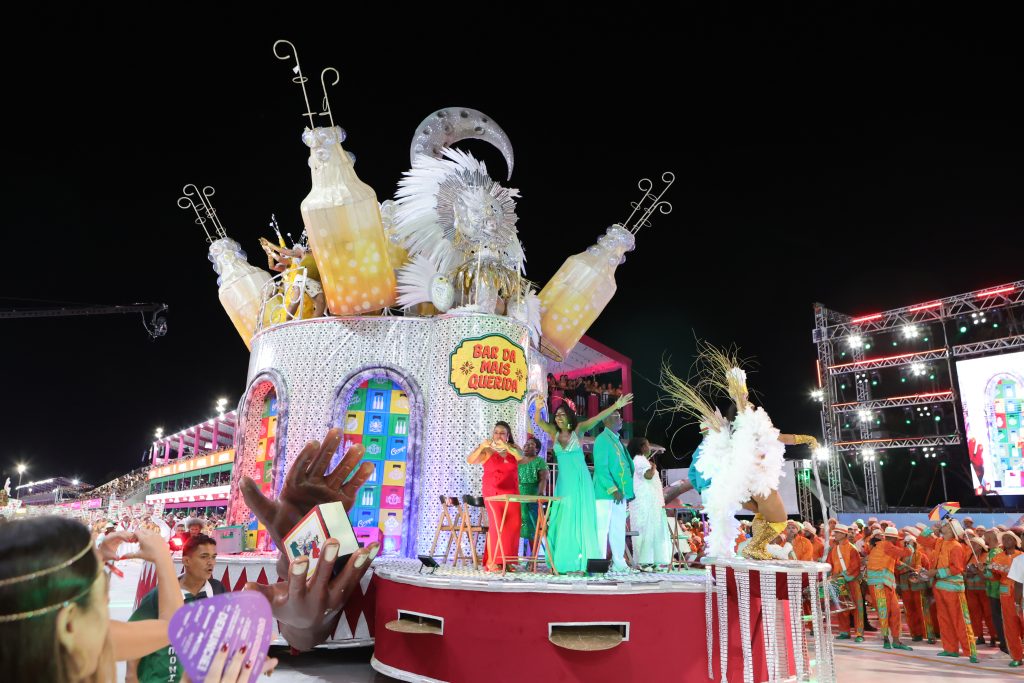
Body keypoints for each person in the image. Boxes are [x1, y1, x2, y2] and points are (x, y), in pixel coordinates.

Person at [0, 517, 258, 682]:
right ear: (69, 624)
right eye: (104, 601)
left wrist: (95, 557)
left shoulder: (47, 639)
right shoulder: (94, 641)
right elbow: (173, 624)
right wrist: (163, 557)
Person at [533, 393, 633, 573]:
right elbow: (538, 421)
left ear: (569, 416)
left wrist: (616, 405)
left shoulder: (578, 430)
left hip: (580, 481)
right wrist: (539, 408)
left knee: (580, 519)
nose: (558, 417)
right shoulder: (554, 432)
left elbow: (598, 418)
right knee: (561, 519)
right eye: (557, 415)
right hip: (564, 483)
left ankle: (582, 563)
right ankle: (562, 561)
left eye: (562, 414)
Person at [127, 534, 227, 682]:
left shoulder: (218, 590)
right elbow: (136, 634)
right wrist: (130, 674)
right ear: (186, 561)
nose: (210, 562)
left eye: (213, 557)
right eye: (204, 557)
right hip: (159, 677)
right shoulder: (161, 594)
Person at [467, 421, 524, 570]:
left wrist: (507, 447)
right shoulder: (487, 450)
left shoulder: (514, 448)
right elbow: (470, 460)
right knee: (497, 525)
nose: (498, 435)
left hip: (512, 493)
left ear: (508, 435)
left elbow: (521, 458)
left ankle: (507, 561)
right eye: (496, 432)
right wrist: (481, 447)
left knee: (513, 525)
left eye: (502, 433)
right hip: (493, 493)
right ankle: (493, 562)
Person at [926, 519, 978, 662]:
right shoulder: (939, 542)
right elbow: (922, 540)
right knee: (944, 619)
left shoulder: (956, 546)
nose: (943, 526)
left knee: (960, 619)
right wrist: (930, 530)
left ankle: (971, 651)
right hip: (939, 586)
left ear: (951, 529)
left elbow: (957, 568)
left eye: (946, 525)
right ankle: (950, 649)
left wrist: (936, 572)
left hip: (953, 587)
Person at [592, 409, 634, 572]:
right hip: (605, 493)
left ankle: (619, 563)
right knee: (601, 529)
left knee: (618, 529)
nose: (621, 419)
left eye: (620, 416)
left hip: (620, 493)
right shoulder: (602, 439)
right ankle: (598, 565)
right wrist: (613, 489)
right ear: (605, 420)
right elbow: (601, 468)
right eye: (617, 416)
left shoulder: (616, 439)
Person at [864, 527, 913, 651]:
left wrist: (910, 568)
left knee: (895, 612)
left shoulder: (884, 547)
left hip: (886, 584)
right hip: (879, 584)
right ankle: (886, 639)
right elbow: (906, 553)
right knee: (883, 612)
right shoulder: (886, 545)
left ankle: (895, 640)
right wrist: (910, 545)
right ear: (894, 538)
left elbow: (896, 562)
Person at [628, 437, 671, 567]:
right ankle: (644, 560)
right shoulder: (639, 460)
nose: (649, 448)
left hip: (648, 501)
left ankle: (649, 559)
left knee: (649, 528)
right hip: (644, 501)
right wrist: (653, 467)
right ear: (641, 447)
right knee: (646, 528)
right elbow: (647, 475)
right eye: (647, 445)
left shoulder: (640, 459)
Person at [991, 531, 1023, 667]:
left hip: (1020, 594)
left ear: (1016, 541)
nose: (1006, 541)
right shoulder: (997, 557)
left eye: (1009, 538)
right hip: (1005, 594)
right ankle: (1016, 656)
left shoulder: (1020, 556)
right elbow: (993, 577)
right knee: (1010, 626)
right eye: (1004, 539)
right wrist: (984, 570)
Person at [828, 524, 864, 642]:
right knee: (842, 606)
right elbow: (830, 564)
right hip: (839, 582)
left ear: (844, 534)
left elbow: (855, 566)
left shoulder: (852, 548)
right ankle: (844, 631)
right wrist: (831, 575)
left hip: (851, 581)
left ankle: (859, 633)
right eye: (835, 532)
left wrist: (843, 575)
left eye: (838, 532)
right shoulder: (834, 549)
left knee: (857, 607)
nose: (835, 534)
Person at [517, 436, 548, 557]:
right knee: (517, 524)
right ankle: (514, 557)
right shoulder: (518, 461)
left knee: (532, 526)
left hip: (532, 495)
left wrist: (540, 494)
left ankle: (533, 557)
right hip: (517, 495)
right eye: (526, 443)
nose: (527, 445)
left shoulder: (539, 461)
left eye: (531, 444)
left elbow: (543, 478)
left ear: (537, 449)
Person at [965, 536, 996, 648]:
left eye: (974, 544)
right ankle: (980, 636)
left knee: (988, 613)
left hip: (984, 589)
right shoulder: (969, 556)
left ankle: (993, 636)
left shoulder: (987, 556)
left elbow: (990, 573)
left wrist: (979, 571)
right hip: (970, 589)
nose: (972, 546)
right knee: (974, 614)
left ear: (980, 546)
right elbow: (963, 570)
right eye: (971, 543)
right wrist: (967, 573)